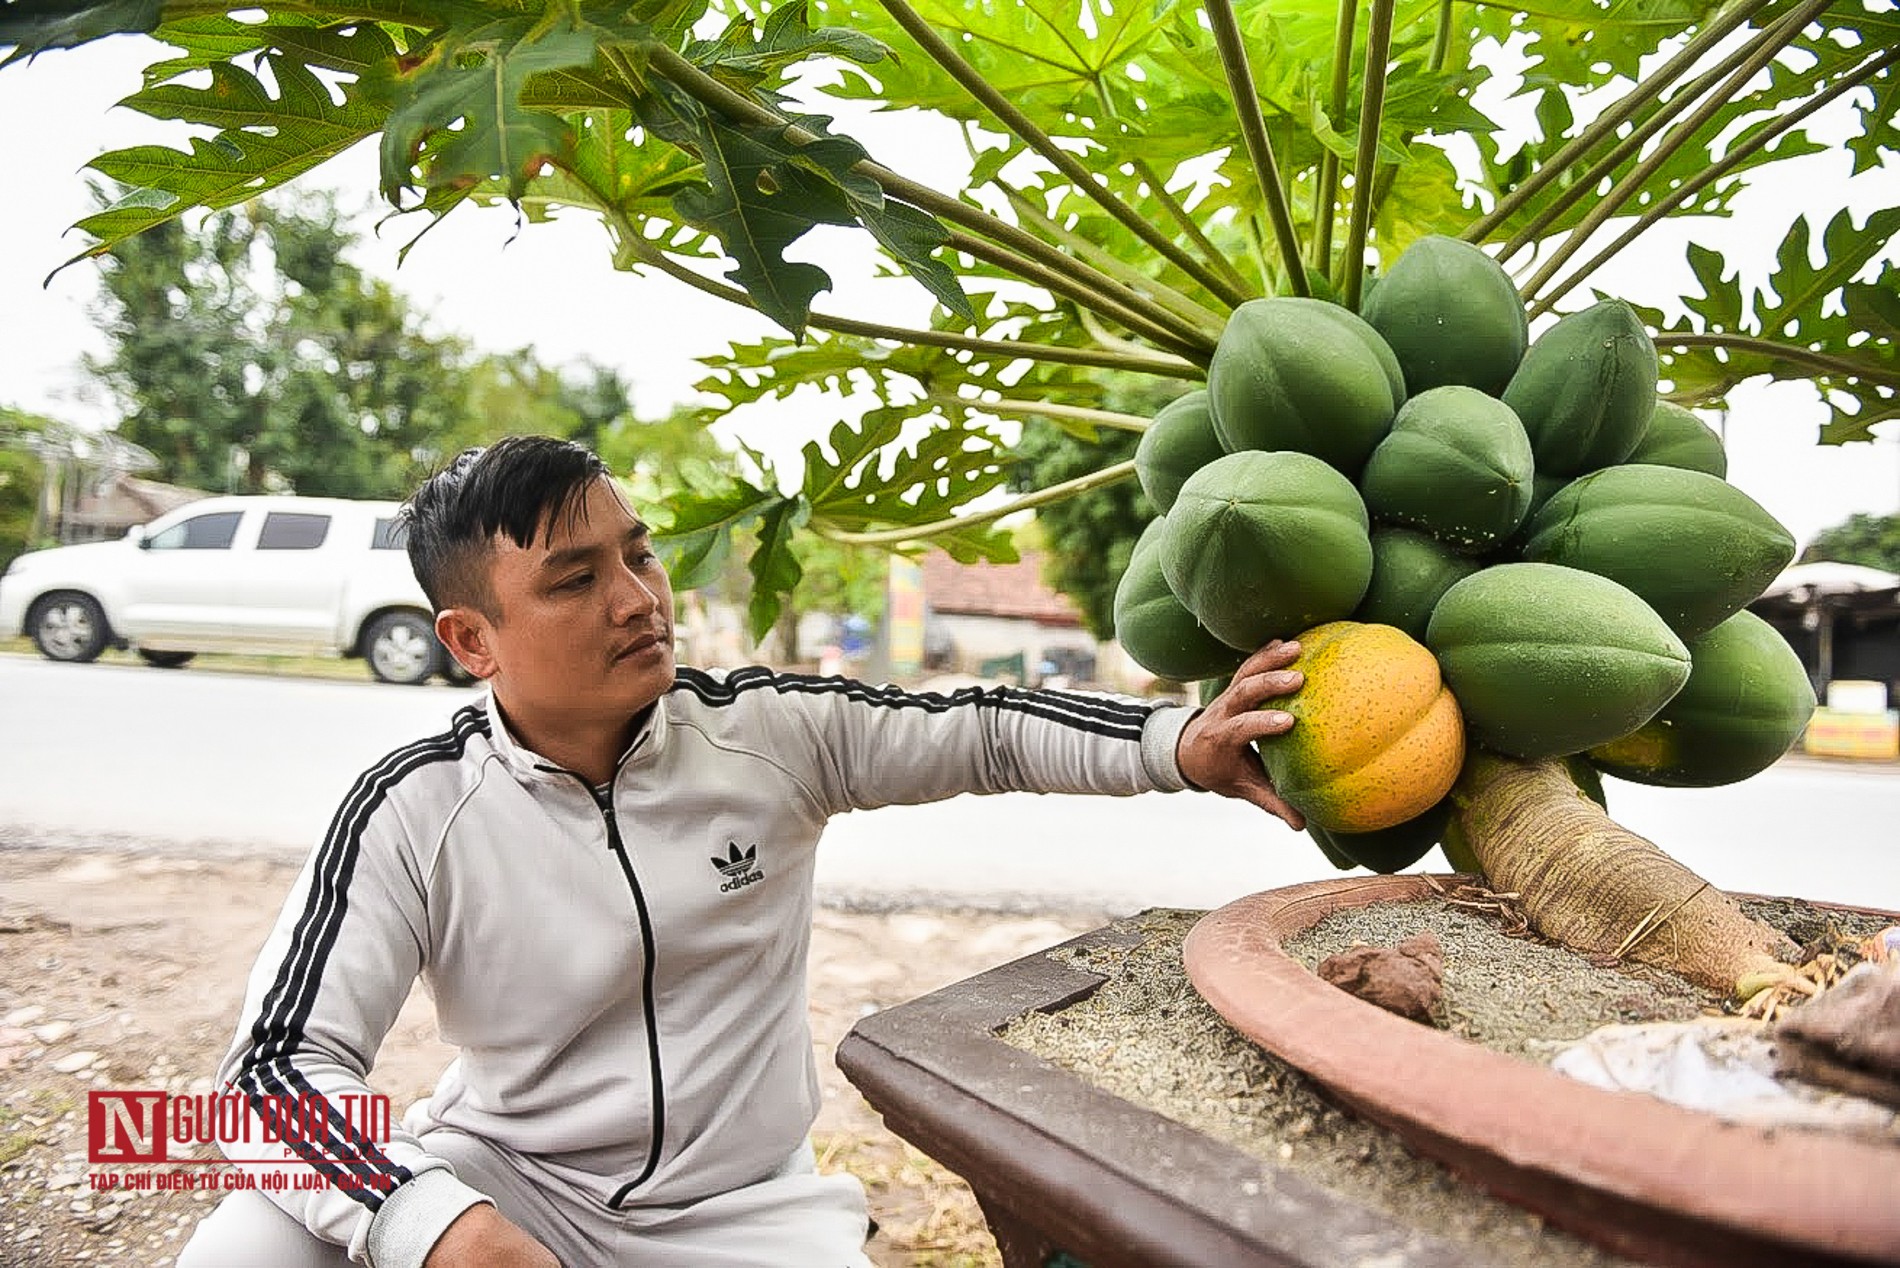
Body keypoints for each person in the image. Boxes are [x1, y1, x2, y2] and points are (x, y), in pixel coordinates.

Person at [177, 435, 1307, 1268]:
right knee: (244, 1249)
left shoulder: (765, 732)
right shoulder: (413, 810)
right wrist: (441, 1223)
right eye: (575, 579)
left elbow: (980, 725)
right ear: (471, 639)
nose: (638, 599)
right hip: (507, 1177)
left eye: (639, 556)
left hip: (742, 1216)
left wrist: (1177, 740)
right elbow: (272, 1071)